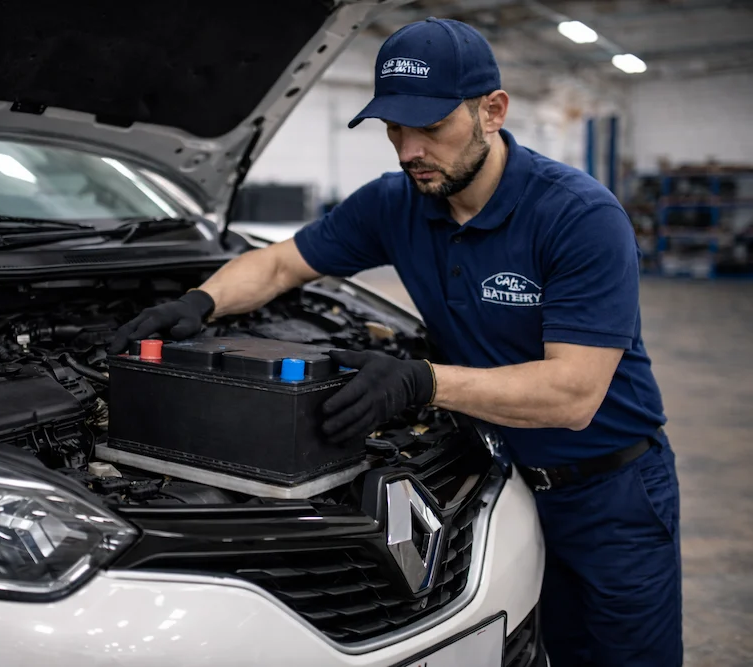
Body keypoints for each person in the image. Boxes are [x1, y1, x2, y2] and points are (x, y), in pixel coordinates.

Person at [109, 17, 682, 667]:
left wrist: (422, 381)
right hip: (500, 478)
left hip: (611, 497)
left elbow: (573, 394)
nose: (409, 150)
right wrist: (198, 302)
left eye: (431, 128)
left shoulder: (578, 217)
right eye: (393, 130)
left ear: (492, 111)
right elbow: (278, 265)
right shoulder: (396, 202)